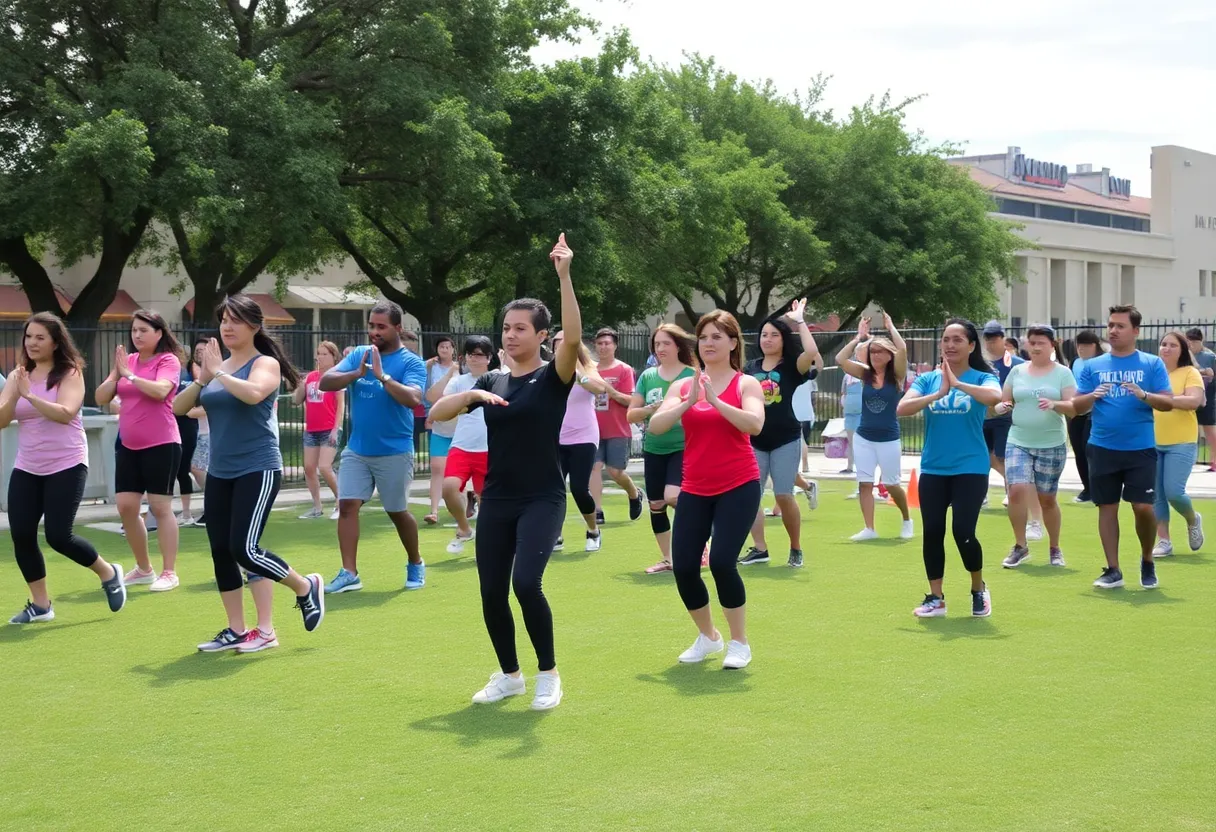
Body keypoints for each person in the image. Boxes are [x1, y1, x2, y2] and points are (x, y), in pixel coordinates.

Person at [429, 232, 581, 710]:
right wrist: (473, 394)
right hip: (497, 498)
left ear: (541, 336)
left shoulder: (553, 376)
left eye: (521, 328)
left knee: (524, 584)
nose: (511, 334)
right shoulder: (490, 380)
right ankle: (509, 675)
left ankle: (548, 673)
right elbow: (437, 413)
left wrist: (564, 275)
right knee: (492, 591)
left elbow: (573, 338)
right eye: (507, 327)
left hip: (542, 497)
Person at [174, 294, 325, 652]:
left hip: (257, 467)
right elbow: (180, 408)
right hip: (221, 472)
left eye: (235, 320)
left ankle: (305, 587)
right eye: (223, 320)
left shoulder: (264, 364)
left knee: (244, 548)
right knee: (221, 551)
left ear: (254, 326)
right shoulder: (217, 369)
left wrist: (220, 373)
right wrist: (202, 379)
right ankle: (238, 630)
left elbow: (254, 394)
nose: (227, 326)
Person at [648, 310, 764, 669]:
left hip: (738, 484)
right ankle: (708, 636)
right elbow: (655, 426)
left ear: (733, 343)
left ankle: (739, 642)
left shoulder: (746, 384)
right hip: (695, 487)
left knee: (722, 562)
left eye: (717, 336)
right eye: (704, 337)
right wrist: (689, 401)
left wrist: (715, 401)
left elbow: (755, 424)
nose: (709, 343)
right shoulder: (683, 385)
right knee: (683, 566)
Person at [3, 313, 127, 624]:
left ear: (56, 342)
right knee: (21, 534)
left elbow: (65, 413)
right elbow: (2, 421)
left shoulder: (70, 373)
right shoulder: (18, 375)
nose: (32, 342)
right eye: (28, 336)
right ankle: (41, 606)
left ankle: (109, 573)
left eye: (39, 337)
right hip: (28, 466)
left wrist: (29, 395)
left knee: (59, 535)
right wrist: (15, 392)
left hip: (67, 464)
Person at [320, 302, 428, 594]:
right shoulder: (359, 355)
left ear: (397, 328)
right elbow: (326, 381)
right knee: (347, 506)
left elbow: (413, 399)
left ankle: (415, 562)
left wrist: (383, 377)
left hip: (395, 450)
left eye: (381, 327)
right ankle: (349, 573)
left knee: (396, 511)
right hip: (357, 449)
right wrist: (355, 373)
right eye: (371, 326)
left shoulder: (411, 363)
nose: (374, 332)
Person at [897, 319, 1001, 618]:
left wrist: (957, 385)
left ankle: (978, 589)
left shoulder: (983, 378)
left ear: (971, 345)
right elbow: (902, 409)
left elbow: (995, 399)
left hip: (970, 466)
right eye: (946, 339)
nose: (950, 345)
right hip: (934, 467)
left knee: (963, 531)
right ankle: (936, 598)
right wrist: (938, 393)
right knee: (932, 532)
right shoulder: (927, 379)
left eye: (957, 340)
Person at [1072, 305, 1174, 590]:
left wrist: (1144, 394)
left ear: (1136, 331)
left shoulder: (1151, 364)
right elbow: (1076, 407)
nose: (1113, 330)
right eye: (1111, 325)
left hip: (1140, 449)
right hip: (1102, 447)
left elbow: (1167, 403)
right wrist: (1092, 395)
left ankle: (1146, 558)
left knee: (1143, 507)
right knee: (1107, 506)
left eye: (1120, 325)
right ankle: (1113, 569)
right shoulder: (1093, 366)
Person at [95, 309, 184, 593]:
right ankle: (144, 569)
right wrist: (116, 375)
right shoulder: (128, 361)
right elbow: (99, 396)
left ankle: (169, 572)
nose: (137, 335)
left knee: (160, 508)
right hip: (128, 444)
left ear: (159, 333)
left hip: (162, 443)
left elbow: (160, 391)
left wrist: (130, 377)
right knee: (126, 507)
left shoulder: (167, 360)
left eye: (143, 330)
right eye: (134, 330)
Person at [739, 299, 822, 568]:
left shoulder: (790, 367)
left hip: (786, 438)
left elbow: (811, 350)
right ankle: (760, 548)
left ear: (784, 339)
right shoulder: (749, 368)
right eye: (764, 334)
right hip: (754, 440)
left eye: (774, 335)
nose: (768, 339)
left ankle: (795, 547)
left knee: (783, 495)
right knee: (752, 495)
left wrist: (798, 319)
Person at [994, 325, 1076, 568]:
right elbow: (1005, 399)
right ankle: (1020, 546)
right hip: (1019, 440)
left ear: (1052, 345)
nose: (1037, 347)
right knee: (1017, 490)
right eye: (1032, 342)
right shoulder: (1017, 371)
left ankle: (1055, 548)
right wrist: (1002, 407)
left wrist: (1054, 404)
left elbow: (1073, 406)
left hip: (1052, 442)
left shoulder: (1063, 373)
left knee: (1047, 499)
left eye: (1042, 342)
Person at [834, 311, 913, 541]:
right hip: (864, 438)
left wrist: (890, 327)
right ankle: (869, 528)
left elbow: (903, 348)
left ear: (890, 355)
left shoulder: (897, 375)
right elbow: (840, 359)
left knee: (892, 483)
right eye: (873, 351)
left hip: (888, 438)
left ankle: (907, 519)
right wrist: (858, 338)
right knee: (864, 483)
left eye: (880, 351)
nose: (876, 355)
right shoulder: (864, 373)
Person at [628, 324, 696, 573]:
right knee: (656, 505)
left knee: (673, 496)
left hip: (684, 447)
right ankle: (669, 559)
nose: (661, 348)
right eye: (657, 344)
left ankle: (701, 537)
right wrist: (650, 410)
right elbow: (631, 415)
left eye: (666, 343)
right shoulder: (647, 377)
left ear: (678, 345)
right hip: (654, 448)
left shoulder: (692, 375)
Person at [429, 335, 495, 554]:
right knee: (448, 488)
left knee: (486, 500)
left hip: (488, 449)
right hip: (462, 446)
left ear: (489, 358)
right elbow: (440, 401)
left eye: (479, 355)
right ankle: (465, 529)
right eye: (470, 355)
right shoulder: (459, 381)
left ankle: (485, 545)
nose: (474, 359)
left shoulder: (498, 377)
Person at [981, 321, 1040, 533]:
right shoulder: (981, 363)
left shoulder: (1015, 363)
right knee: (983, 457)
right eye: (987, 338)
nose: (990, 342)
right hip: (983, 417)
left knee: (1000, 458)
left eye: (994, 338)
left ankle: (1017, 489)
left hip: (1005, 417)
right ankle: (985, 494)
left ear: (1003, 339)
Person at [1151, 331, 1205, 558]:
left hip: (1181, 441)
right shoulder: (1153, 374)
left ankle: (1193, 519)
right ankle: (1164, 541)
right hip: (1152, 441)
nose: (1166, 348)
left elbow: (1193, 400)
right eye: (1163, 344)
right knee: (1156, 495)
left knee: (1174, 492)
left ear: (1182, 349)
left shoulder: (1190, 373)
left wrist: (1164, 399)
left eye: (1172, 345)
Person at [554, 333, 608, 552]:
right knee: (553, 489)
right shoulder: (549, 370)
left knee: (578, 488)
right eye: (557, 345)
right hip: (555, 437)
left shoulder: (587, 367)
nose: (561, 349)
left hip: (584, 437)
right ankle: (555, 534)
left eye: (565, 345)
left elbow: (600, 389)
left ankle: (593, 530)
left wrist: (578, 376)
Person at [590, 327, 644, 523]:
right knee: (594, 467)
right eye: (600, 343)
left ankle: (634, 493)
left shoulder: (624, 369)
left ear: (615, 346)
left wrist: (610, 391)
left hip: (617, 428)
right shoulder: (590, 370)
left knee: (615, 472)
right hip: (593, 428)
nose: (603, 347)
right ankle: (597, 511)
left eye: (607, 343)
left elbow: (630, 400)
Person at [293, 341, 344, 520]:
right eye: (319, 353)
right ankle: (317, 507)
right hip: (312, 430)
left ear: (333, 357)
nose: (320, 357)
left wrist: (335, 429)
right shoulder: (311, 377)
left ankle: (341, 502)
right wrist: (301, 384)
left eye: (324, 354)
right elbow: (296, 400)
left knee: (324, 467)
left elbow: (341, 406)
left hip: (329, 429)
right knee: (308, 468)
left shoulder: (336, 377)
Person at [423, 335, 458, 525]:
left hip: (459, 425)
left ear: (453, 349)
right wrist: (430, 415)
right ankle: (434, 510)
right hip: (438, 422)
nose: (444, 350)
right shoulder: (430, 367)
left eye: (447, 346)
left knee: (458, 469)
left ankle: (463, 507)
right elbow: (428, 393)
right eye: (441, 347)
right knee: (437, 468)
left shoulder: (461, 370)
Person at [1068, 330, 1103, 503]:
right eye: (1079, 345)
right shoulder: (1075, 362)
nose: (1081, 349)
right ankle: (1087, 489)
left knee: (1089, 449)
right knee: (1078, 450)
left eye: (1086, 345)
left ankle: (1096, 487)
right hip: (1076, 411)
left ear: (1095, 346)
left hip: (1095, 411)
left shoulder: (1101, 363)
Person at [173, 358, 201, 526]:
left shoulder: (190, 372)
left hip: (188, 427)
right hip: (169, 426)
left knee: (183, 470)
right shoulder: (165, 375)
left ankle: (186, 512)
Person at [1184, 328, 1216, 472]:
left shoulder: (1209, 356)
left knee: (1209, 430)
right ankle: (1189, 460)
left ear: (1200, 342)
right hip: (1190, 395)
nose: (1191, 345)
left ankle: (1214, 461)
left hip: (1207, 396)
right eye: (1188, 342)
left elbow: (1212, 375)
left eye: (1193, 342)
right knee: (1190, 430)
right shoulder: (1186, 355)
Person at [840, 366, 862, 477]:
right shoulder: (847, 377)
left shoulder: (864, 377)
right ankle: (850, 466)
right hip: (850, 412)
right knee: (851, 441)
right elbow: (843, 393)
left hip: (861, 413)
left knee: (859, 442)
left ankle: (860, 466)